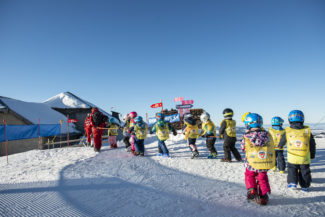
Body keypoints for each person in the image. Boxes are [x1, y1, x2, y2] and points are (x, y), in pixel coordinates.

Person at [278, 110, 316, 192]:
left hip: (292, 156)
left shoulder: (288, 130)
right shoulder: (307, 131)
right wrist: (312, 154)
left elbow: (282, 141)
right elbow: (312, 144)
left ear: (289, 120)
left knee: (292, 169)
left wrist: (280, 146)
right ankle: (305, 186)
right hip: (304, 157)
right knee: (305, 170)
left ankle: (292, 183)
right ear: (303, 119)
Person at [242, 113, 275, 205]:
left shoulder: (246, 136)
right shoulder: (267, 134)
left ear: (248, 124)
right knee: (262, 178)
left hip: (251, 162)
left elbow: (243, 148)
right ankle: (263, 196)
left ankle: (252, 190)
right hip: (264, 162)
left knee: (249, 175)